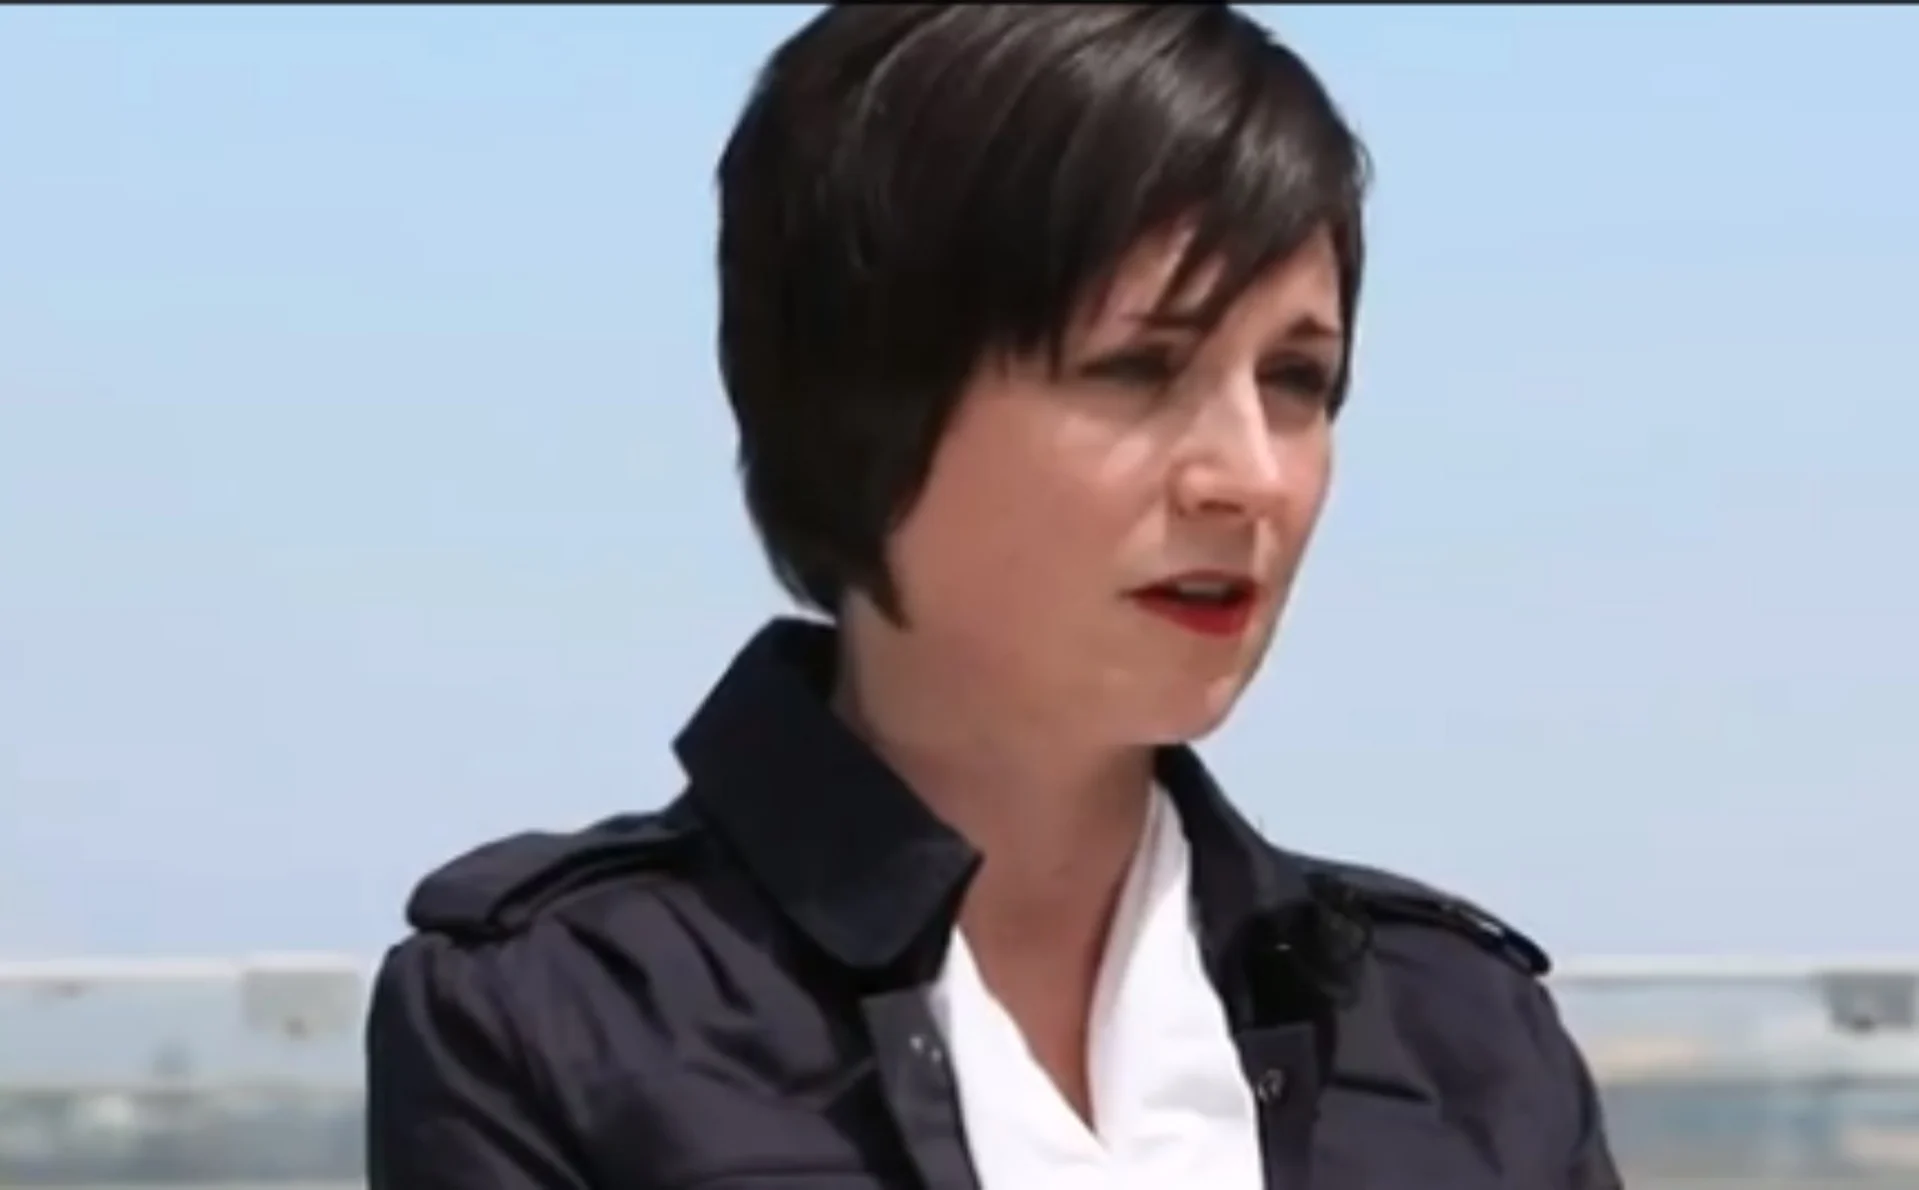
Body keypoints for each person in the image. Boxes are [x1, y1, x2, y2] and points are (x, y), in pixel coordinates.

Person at [365, 5, 1622, 1188]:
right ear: (862, 400)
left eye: (1296, 378)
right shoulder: (552, 1020)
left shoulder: (1464, 1041)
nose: (1249, 475)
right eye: (1135, 368)